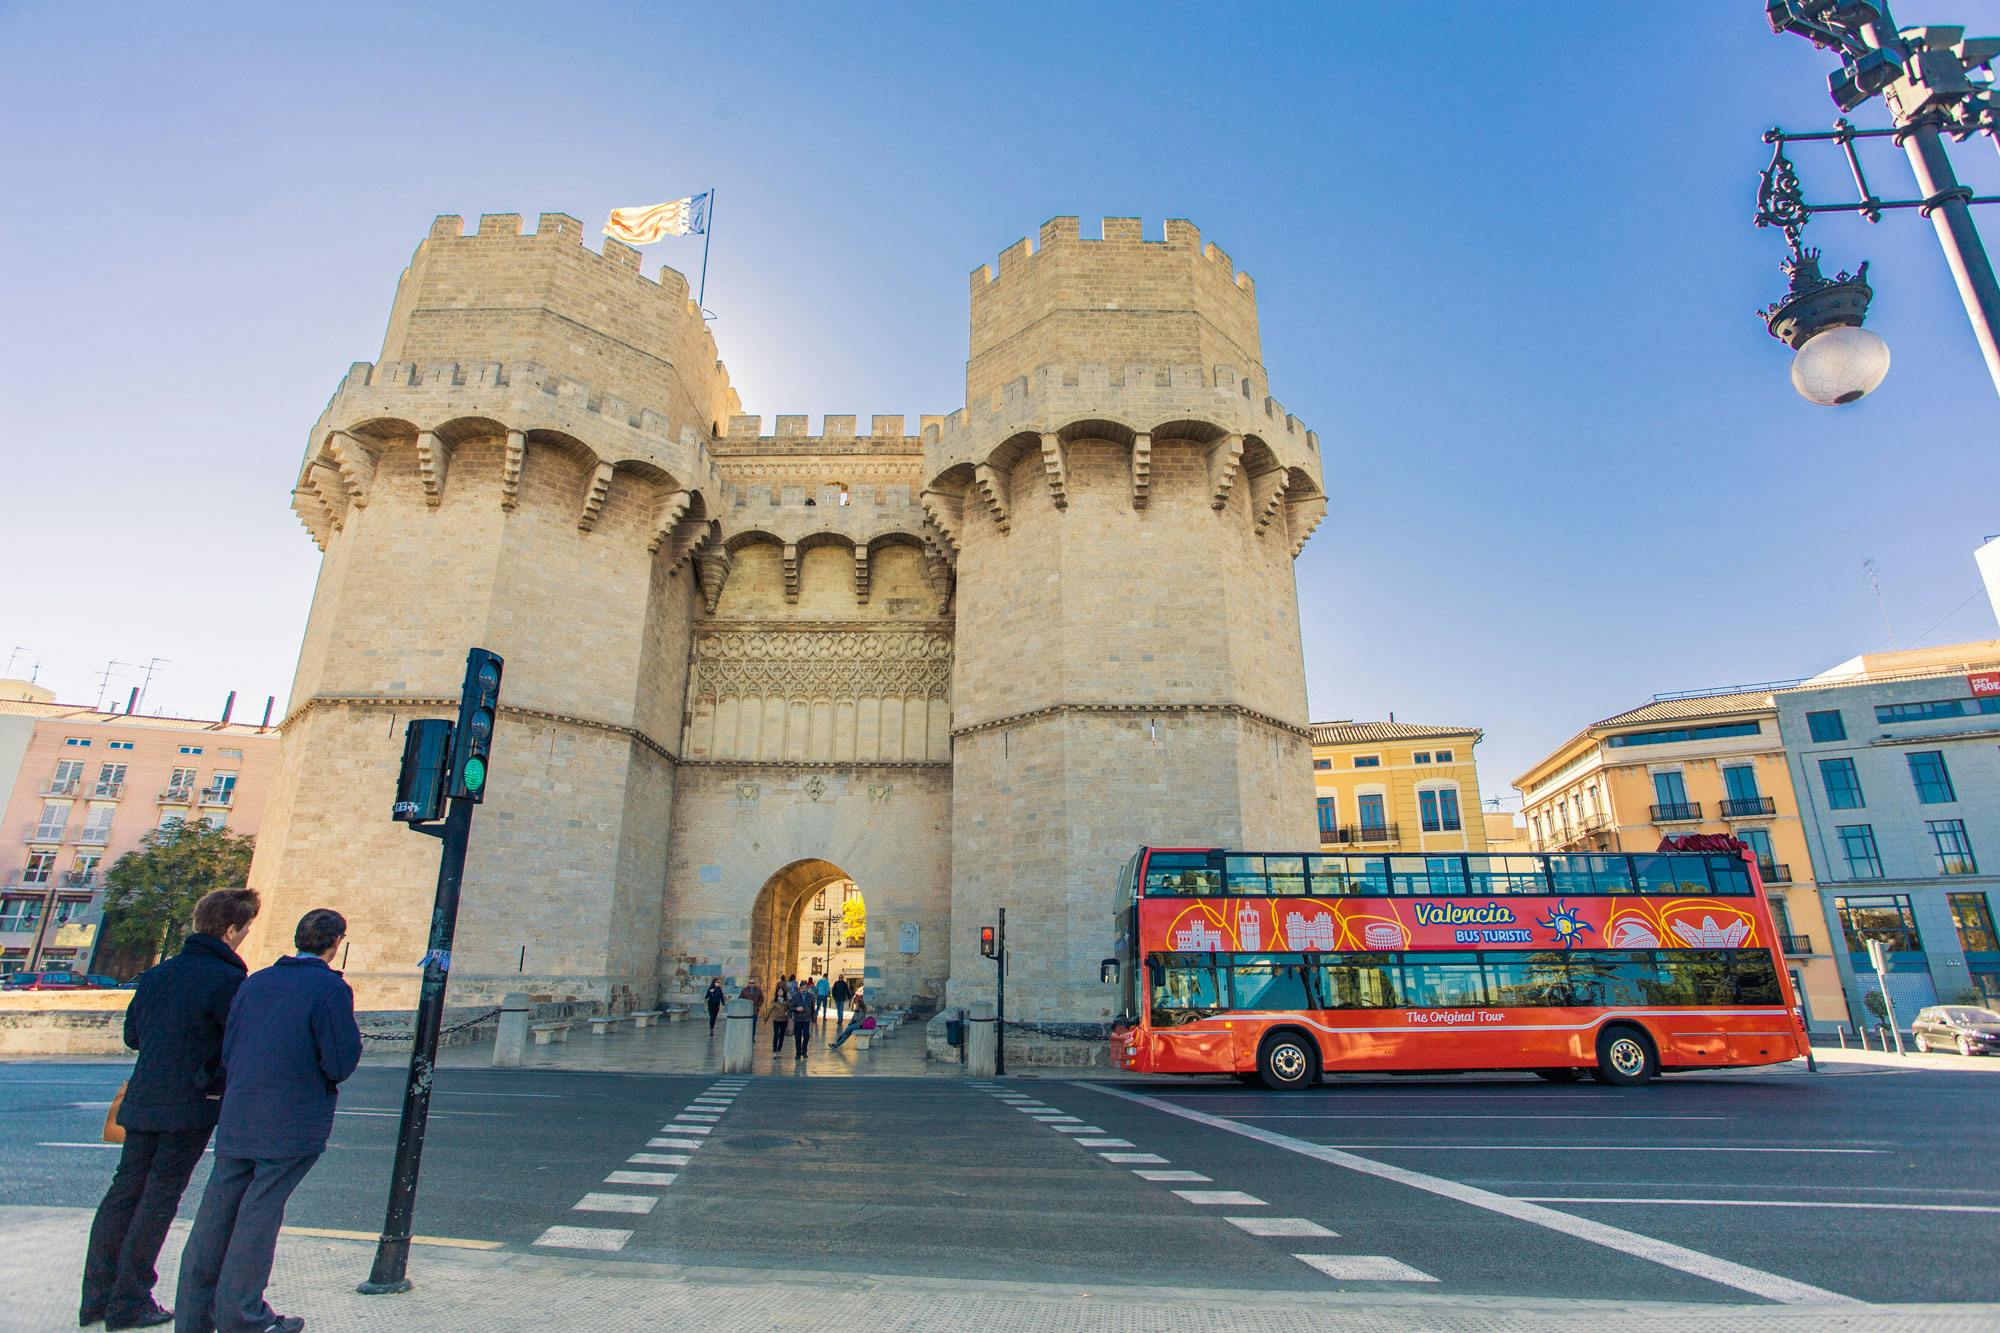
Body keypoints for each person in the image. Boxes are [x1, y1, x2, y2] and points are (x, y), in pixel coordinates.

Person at [81, 889, 261, 1331]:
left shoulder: (160, 974)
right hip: (190, 1103)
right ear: (231, 929)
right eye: (245, 929)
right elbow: (235, 1046)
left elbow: (133, 1036)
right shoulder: (229, 981)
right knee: (159, 1198)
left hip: (143, 1098)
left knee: (124, 1192)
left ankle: (98, 1297)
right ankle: (130, 1301)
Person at [174, 909, 361, 1333]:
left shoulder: (256, 981)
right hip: (290, 1121)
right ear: (335, 943)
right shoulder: (330, 988)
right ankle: (242, 1316)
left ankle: (194, 1316)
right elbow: (339, 1060)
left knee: (215, 1215)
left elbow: (231, 1044)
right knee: (258, 1216)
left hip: (240, 1114)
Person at [787, 983, 815, 1059]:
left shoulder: (811, 996)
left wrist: (813, 1020)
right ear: (799, 989)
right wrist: (796, 1009)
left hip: (806, 1019)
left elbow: (813, 1008)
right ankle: (798, 1053)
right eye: (802, 988)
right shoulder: (795, 996)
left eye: (805, 988)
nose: (804, 990)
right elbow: (790, 1007)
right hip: (798, 1019)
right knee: (798, 1037)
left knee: (806, 1035)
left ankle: (804, 1051)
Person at [764, 986, 790, 1054]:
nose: (780, 992)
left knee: (781, 1035)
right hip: (776, 1019)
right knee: (776, 1034)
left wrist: (788, 1014)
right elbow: (770, 1010)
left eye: (781, 991)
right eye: (779, 991)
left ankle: (779, 1049)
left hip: (784, 1019)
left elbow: (789, 1008)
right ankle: (774, 1050)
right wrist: (766, 1019)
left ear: (783, 992)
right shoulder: (774, 1001)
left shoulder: (786, 1001)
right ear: (777, 993)